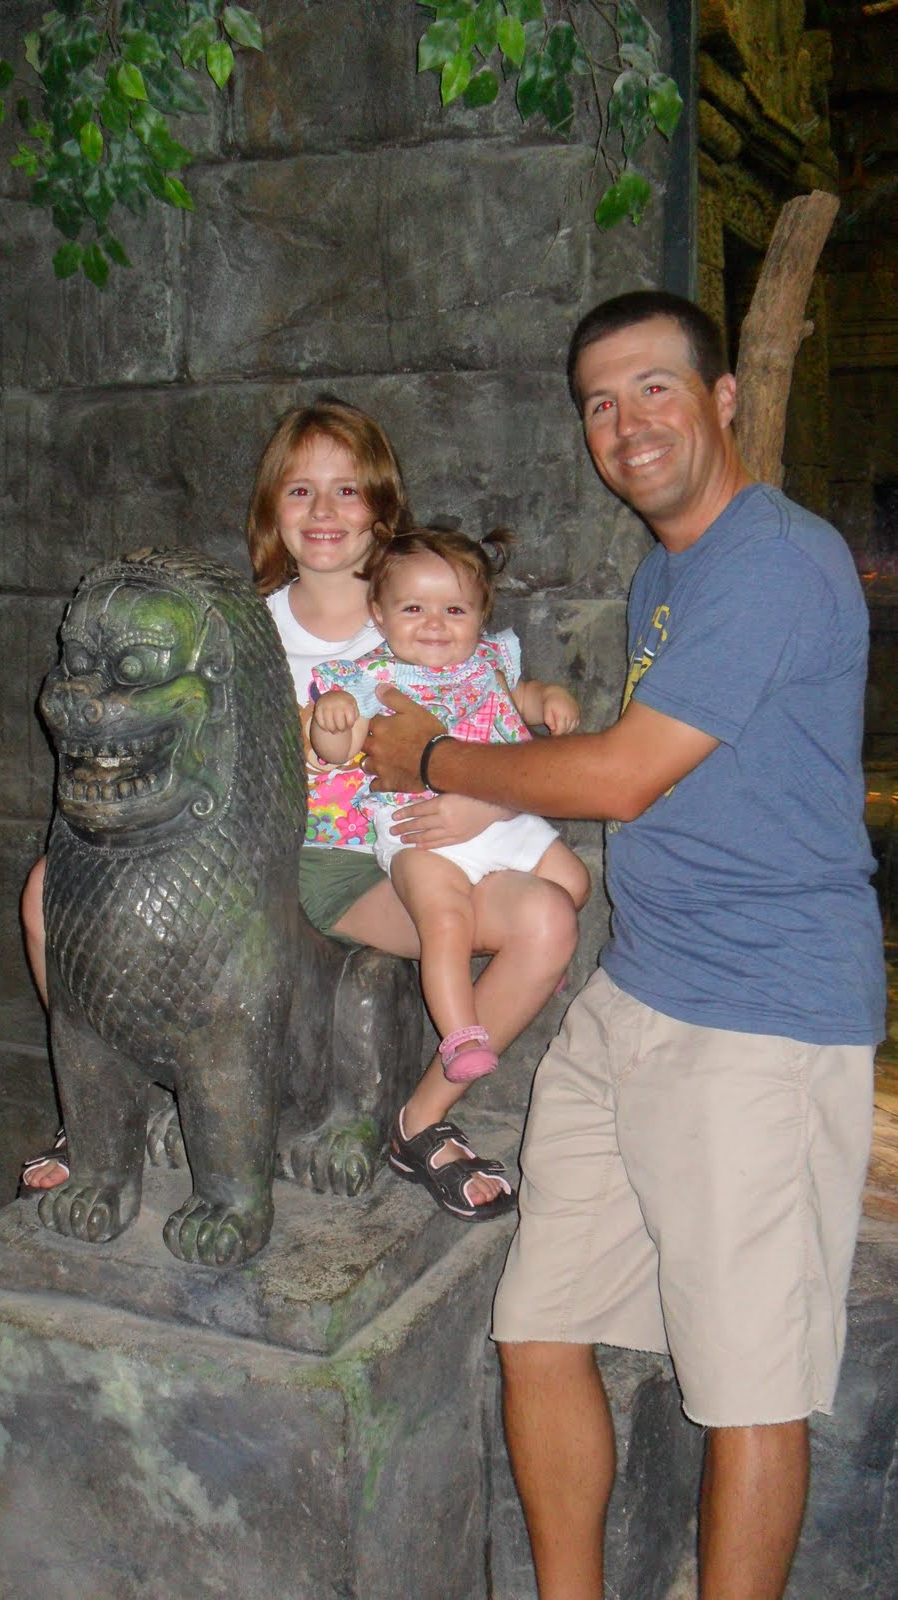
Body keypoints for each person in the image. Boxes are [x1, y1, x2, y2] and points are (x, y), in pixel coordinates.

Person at [362, 291, 886, 1598]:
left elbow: (622, 775)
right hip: (637, 989)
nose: (625, 423)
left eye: (653, 387)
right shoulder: (670, 572)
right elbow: (632, 766)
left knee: (746, 1385)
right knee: (536, 1323)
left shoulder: (776, 560)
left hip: (756, 1018)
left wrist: (433, 756)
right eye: (598, 402)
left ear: (719, 399)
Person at [23, 398, 583, 1220]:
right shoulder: (231, 629)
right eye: (299, 490)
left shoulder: (426, 616)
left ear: (382, 506)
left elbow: (501, 723)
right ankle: (106, 1108)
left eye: (347, 490)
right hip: (250, 864)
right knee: (49, 892)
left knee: (548, 918)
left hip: (390, 862)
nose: (323, 511)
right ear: (270, 509)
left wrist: (482, 804)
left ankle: (420, 1120)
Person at [310, 526, 588, 1097]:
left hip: (502, 815)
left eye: (455, 610)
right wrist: (331, 719)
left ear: (481, 617)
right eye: (413, 608)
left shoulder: (487, 663)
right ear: (379, 614)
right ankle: (461, 1035)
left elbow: (521, 697)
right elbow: (338, 753)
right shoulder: (369, 679)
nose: (435, 624)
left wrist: (549, 699)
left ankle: (530, 964)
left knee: (573, 881)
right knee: (445, 921)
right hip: (420, 831)